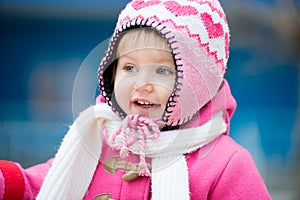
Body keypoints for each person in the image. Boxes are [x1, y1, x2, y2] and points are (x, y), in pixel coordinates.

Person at [0, 0, 272, 199]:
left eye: (163, 70)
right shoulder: (97, 141)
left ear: (199, 85)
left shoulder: (226, 164)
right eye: (130, 68)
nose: (142, 84)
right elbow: (43, 185)